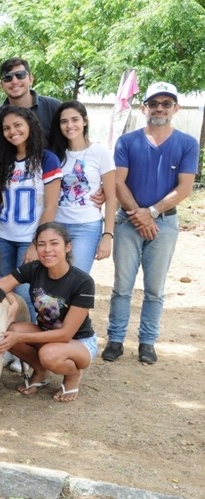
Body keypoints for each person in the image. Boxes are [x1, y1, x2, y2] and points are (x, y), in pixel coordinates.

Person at [104, 82, 198, 365]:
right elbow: (118, 182)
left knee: (155, 288)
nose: (160, 108)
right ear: (143, 107)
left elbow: (184, 188)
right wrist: (139, 214)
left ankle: (147, 342)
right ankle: (116, 339)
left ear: (176, 108)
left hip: (164, 224)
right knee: (122, 285)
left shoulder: (187, 143)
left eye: (166, 103)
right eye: (154, 103)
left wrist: (153, 212)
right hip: (128, 222)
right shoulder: (127, 141)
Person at [0, 222, 98, 402]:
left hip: (78, 341)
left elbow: (66, 333)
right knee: (8, 333)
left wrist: (20, 338)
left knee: (48, 354)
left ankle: (73, 375)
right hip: (46, 333)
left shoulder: (83, 282)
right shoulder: (34, 268)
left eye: (54, 243)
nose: (47, 249)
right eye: (41, 244)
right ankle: (41, 372)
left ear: (68, 247)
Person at [0, 105, 62, 319]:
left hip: (29, 237)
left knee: (28, 292)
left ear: (30, 125)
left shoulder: (47, 159)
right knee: (8, 293)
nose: (12, 131)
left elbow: (51, 206)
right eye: (6, 128)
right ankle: (14, 344)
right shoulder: (1, 161)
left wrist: (35, 243)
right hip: (3, 236)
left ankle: (36, 342)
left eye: (17, 125)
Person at [48, 100, 117, 273]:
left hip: (86, 226)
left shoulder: (101, 152)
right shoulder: (54, 154)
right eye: (64, 121)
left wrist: (107, 235)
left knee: (76, 277)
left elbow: (111, 197)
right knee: (54, 276)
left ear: (84, 121)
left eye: (75, 119)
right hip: (56, 224)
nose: (70, 125)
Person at [0, 57, 62, 142]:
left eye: (20, 75)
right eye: (7, 77)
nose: (14, 81)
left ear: (31, 79)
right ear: (1, 85)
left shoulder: (54, 108)